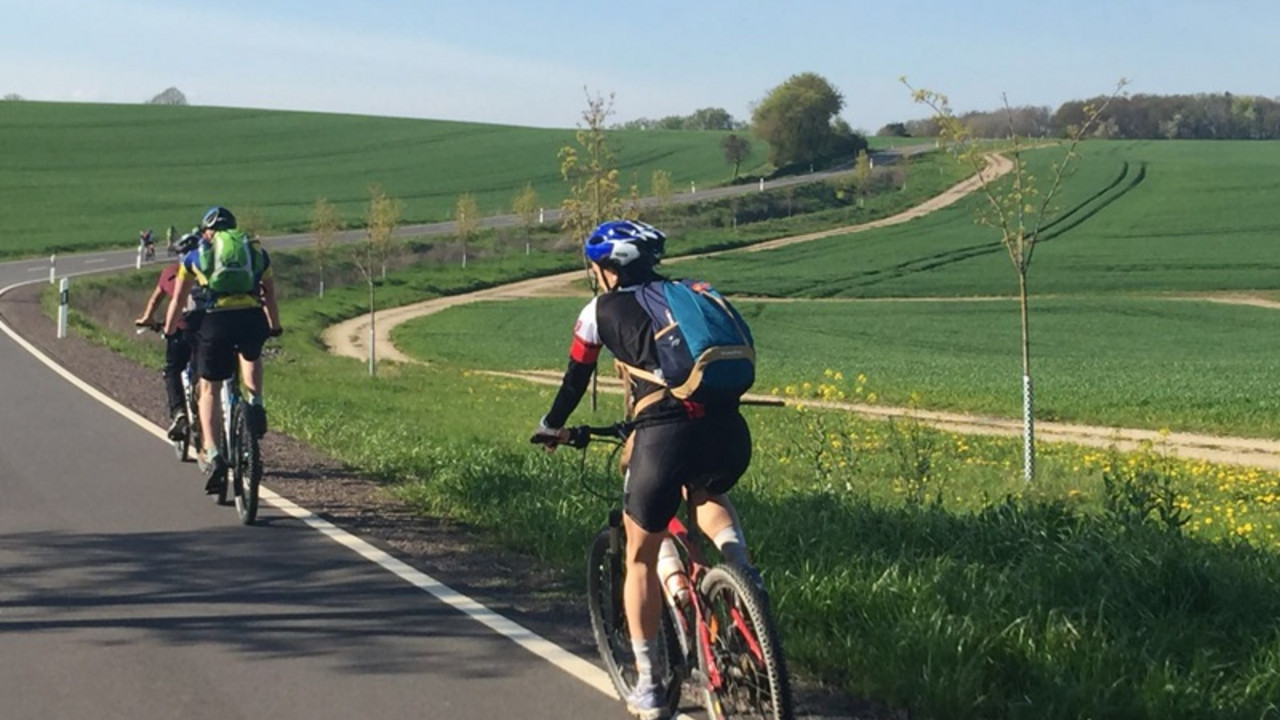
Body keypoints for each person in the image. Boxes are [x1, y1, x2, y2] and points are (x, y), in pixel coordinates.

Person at [531, 219, 756, 720]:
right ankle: (743, 576)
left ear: (607, 269)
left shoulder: (598, 310)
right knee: (706, 496)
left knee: (638, 554)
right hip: (727, 429)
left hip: (663, 437)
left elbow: (575, 378)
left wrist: (552, 426)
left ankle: (651, 688)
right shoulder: (687, 294)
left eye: (595, 265)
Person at [163, 206, 281, 495]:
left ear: (208, 231)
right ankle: (256, 404)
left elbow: (179, 299)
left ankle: (214, 453)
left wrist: (169, 329)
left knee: (209, 390)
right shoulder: (256, 253)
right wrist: (274, 325)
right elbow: (270, 294)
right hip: (251, 318)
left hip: (216, 322)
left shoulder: (196, 256)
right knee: (251, 356)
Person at [135, 231, 203, 441]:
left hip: (181, 328)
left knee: (172, 369)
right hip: (208, 327)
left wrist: (147, 319)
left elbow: (156, 299)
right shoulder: (209, 269)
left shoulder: (171, 272)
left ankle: (179, 411)